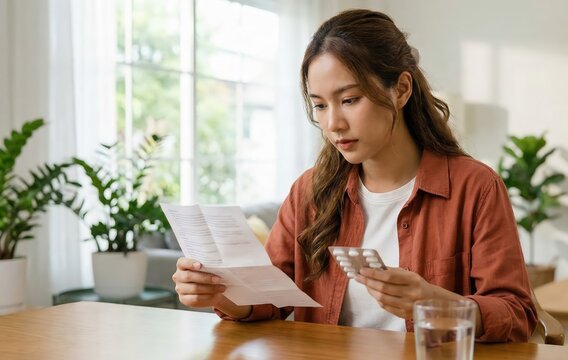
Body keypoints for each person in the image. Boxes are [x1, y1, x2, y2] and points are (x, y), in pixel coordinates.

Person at [172, 9, 537, 342]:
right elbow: (269, 299)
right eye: (319, 105)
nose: (333, 123)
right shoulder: (309, 191)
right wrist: (224, 295)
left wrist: (436, 303)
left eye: (349, 100)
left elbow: (518, 315)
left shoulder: (475, 188)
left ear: (402, 90)